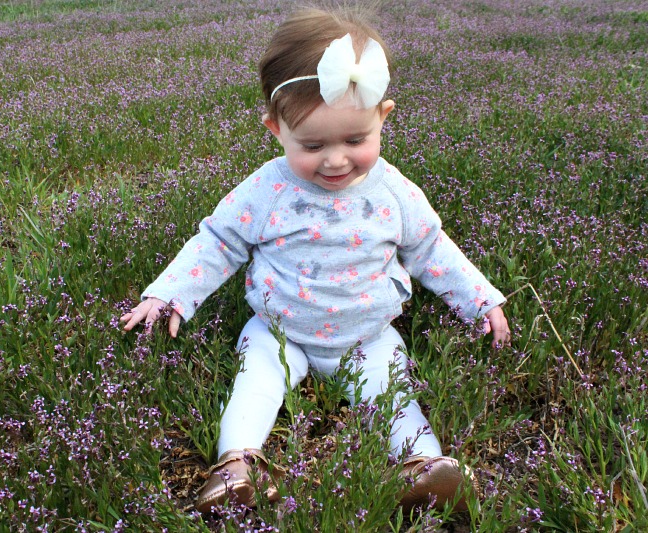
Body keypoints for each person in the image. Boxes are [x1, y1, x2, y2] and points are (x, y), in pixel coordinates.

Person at [120, 6, 510, 514]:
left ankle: (424, 471)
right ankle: (238, 467)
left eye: (356, 140)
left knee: (394, 397)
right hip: (278, 329)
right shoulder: (266, 189)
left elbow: (431, 249)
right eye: (311, 145)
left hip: (368, 334)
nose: (335, 160)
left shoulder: (395, 193)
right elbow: (218, 242)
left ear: (383, 118)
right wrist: (170, 291)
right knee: (254, 383)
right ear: (275, 129)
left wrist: (480, 300)